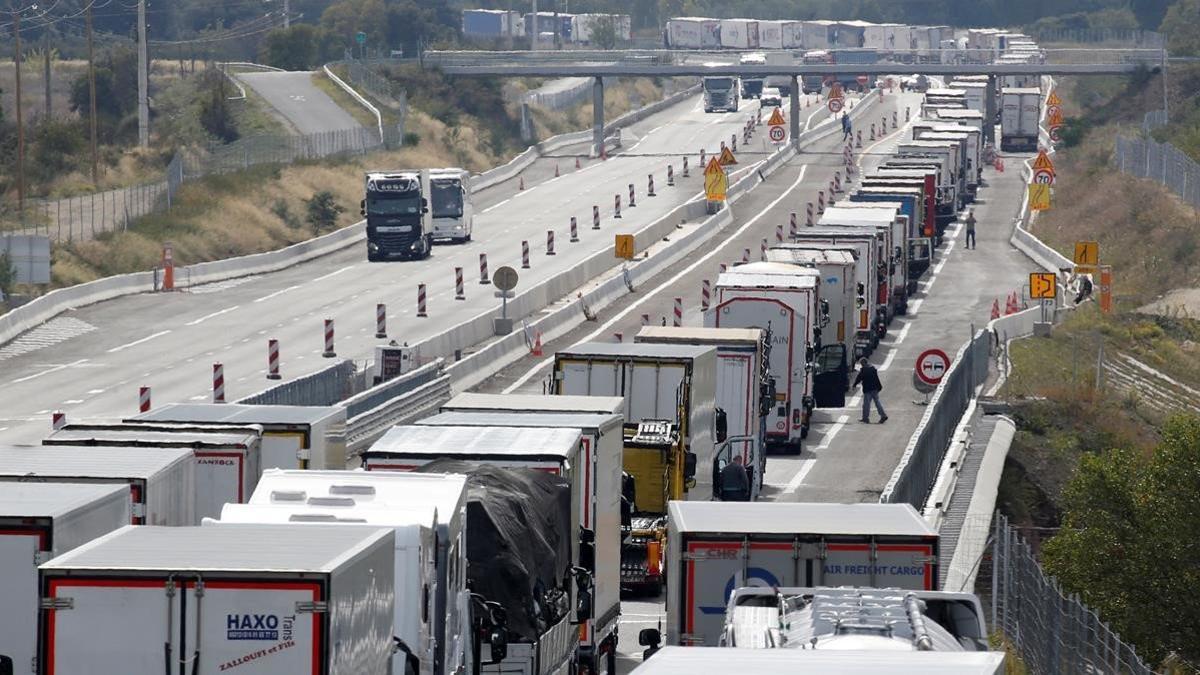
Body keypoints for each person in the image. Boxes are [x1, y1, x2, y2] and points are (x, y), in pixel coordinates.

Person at [853, 357, 887, 423]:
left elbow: (859, 378)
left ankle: (865, 418)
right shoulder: (873, 369)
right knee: (877, 403)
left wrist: (854, 385)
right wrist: (879, 387)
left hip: (868, 389)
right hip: (875, 389)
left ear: (863, 363)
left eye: (861, 364)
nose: (861, 365)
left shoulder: (863, 370)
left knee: (866, 404)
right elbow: (876, 379)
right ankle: (883, 415)